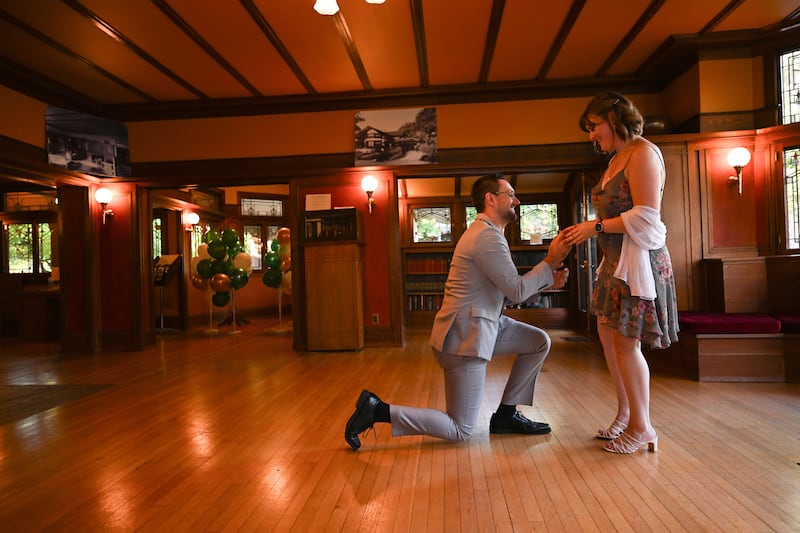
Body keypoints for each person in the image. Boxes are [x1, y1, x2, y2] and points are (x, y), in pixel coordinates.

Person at [344, 174, 572, 451]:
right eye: (510, 194)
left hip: (483, 324)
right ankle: (378, 410)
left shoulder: (490, 234)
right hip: (465, 337)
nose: (517, 200)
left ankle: (506, 415)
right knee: (460, 428)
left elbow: (505, 296)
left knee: (538, 341)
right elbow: (516, 291)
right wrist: (550, 261)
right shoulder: (486, 237)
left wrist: (548, 279)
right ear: (490, 198)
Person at [562, 92, 679, 454]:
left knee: (627, 345)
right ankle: (626, 414)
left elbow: (647, 218)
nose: (591, 136)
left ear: (615, 119)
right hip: (613, 266)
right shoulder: (616, 160)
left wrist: (594, 228)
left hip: (636, 265)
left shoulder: (643, 153)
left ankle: (643, 428)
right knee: (609, 340)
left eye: (594, 127)